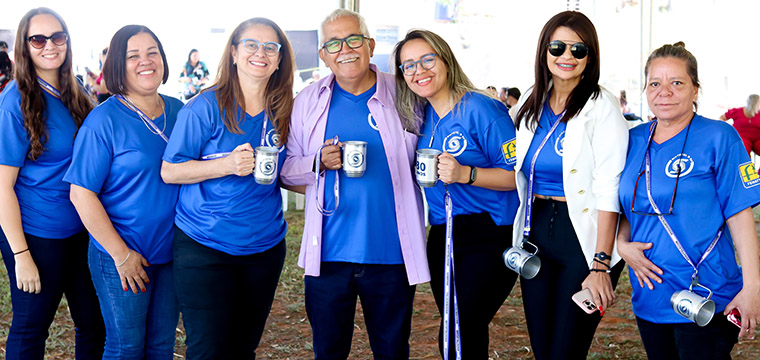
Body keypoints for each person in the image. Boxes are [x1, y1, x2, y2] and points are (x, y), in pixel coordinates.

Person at [280, 9, 429, 359]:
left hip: (391, 253)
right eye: (333, 43)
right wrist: (318, 162)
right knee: (328, 351)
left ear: (370, 44)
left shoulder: (405, 92)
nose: (344, 49)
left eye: (353, 39)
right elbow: (286, 170)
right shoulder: (307, 102)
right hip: (328, 254)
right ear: (323, 54)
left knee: (392, 351)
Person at [616, 42, 760, 360]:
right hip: (651, 296)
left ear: (695, 90)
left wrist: (753, 287)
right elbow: (626, 205)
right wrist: (622, 245)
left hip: (708, 293)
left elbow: (740, 214)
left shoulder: (719, 137)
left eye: (676, 82)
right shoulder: (631, 140)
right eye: (655, 83)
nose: (664, 91)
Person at [161, 17, 294, 359]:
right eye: (251, 44)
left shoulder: (286, 109)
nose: (260, 53)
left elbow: (290, 169)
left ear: (279, 59)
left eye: (270, 47)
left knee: (242, 348)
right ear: (234, 52)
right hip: (204, 245)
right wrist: (225, 165)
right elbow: (170, 171)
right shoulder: (205, 107)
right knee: (207, 350)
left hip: (264, 247)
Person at [393, 29, 519, 358]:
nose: (418, 70)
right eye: (408, 66)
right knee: (455, 327)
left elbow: (519, 176)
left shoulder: (482, 109)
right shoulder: (420, 115)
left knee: (462, 328)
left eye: (426, 60)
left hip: (489, 232)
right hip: (444, 233)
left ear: (446, 61)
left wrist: (467, 174)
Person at [511, 11, 629, 359]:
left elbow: (610, 191)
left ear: (590, 56)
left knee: (566, 350)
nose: (567, 56)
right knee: (543, 348)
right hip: (536, 233)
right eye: (558, 47)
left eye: (579, 50)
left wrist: (600, 266)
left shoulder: (601, 107)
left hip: (584, 238)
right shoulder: (532, 99)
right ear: (544, 51)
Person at [65, 25, 182, 359]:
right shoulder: (103, 121)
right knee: (126, 347)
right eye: (133, 55)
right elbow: (81, 194)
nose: (145, 61)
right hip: (122, 254)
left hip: (172, 253)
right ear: (118, 64)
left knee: (162, 346)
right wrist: (122, 255)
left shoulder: (181, 111)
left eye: (152, 52)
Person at [0, 7, 105, 359]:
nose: (50, 45)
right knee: (32, 328)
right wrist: (21, 256)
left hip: (81, 229)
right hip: (36, 232)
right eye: (38, 39)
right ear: (24, 46)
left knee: (94, 323)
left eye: (57, 36)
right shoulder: (14, 101)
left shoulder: (74, 90)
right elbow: (1, 187)